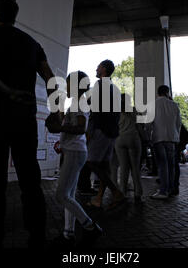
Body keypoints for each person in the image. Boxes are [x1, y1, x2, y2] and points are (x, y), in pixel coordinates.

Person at [0, 0, 56, 248]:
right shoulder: (31, 43)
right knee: (30, 180)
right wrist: (57, 112)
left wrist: (7, 91)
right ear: (14, 16)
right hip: (24, 120)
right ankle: (37, 237)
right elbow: (50, 78)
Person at [51, 71, 102, 249]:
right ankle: (68, 234)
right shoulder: (76, 102)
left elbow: (81, 129)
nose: (66, 86)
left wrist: (59, 126)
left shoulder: (80, 103)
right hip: (73, 151)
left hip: (75, 152)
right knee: (69, 195)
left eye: (68, 83)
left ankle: (89, 226)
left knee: (61, 195)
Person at [85, 60, 125, 210]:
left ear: (103, 69)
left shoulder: (100, 85)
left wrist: (90, 132)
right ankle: (99, 198)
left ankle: (116, 192)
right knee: (103, 165)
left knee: (91, 161)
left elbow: (94, 109)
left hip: (100, 129)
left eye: (98, 66)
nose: (96, 68)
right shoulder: (114, 88)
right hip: (112, 131)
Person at [150, 85, 182, 199]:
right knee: (171, 165)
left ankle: (163, 191)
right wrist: (176, 136)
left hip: (158, 138)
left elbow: (149, 122)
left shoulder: (153, 104)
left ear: (158, 93)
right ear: (167, 92)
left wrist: (148, 136)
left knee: (162, 165)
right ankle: (170, 188)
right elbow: (178, 123)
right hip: (172, 138)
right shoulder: (174, 105)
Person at [115, 93, 143, 203]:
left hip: (120, 139)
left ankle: (122, 192)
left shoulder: (116, 112)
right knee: (135, 168)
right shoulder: (134, 110)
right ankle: (138, 193)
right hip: (133, 138)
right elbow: (140, 127)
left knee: (123, 167)